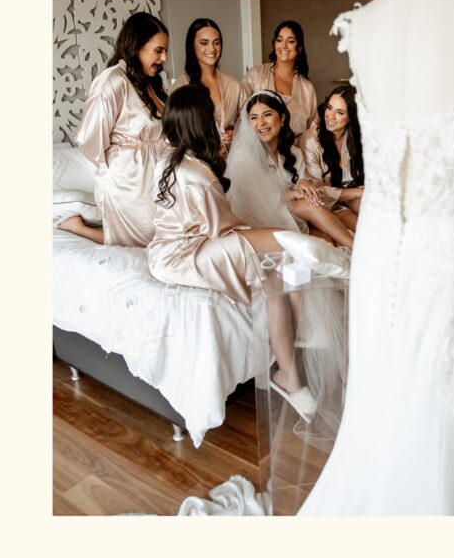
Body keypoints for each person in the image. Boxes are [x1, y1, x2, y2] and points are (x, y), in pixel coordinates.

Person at [298, 0, 454, 516]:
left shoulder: (369, 20)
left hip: (388, 248)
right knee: (416, 401)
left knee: (420, 401)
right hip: (450, 249)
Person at [146, 84, 317, 420]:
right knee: (281, 245)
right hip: (187, 255)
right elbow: (224, 229)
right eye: (212, 116)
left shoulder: (170, 160)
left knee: (277, 257)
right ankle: (291, 365)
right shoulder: (197, 175)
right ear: (201, 122)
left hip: (170, 250)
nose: (218, 121)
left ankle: (289, 367)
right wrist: (260, 236)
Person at [58, 12, 170, 246]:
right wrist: (120, 165)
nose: (164, 58)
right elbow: (89, 138)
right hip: (127, 181)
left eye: (165, 51)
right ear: (137, 46)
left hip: (156, 177)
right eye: (158, 50)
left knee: (164, 236)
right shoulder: (113, 81)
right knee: (145, 244)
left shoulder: (151, 83)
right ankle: (77, 227)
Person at [226, 90, 355, 249]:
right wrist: (292, 193)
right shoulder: (242, 158)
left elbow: (303, 184)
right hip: (258, 216)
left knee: (325, 239)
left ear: (282, 118)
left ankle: (348, 252)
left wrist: (304, 182)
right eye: (254, 118)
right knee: (310, 205)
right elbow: (251, 203)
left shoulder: (294, 153)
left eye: (267, 115)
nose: (261, 123)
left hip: (293, 212)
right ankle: (357, 248)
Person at [170, 18, 245, 156]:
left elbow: (248, 121)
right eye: (204, 43)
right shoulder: (180, 88)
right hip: (197, 162)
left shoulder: (233, 85)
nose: (212, 49)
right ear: (192, 46)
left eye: (217, 42)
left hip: (231, 161)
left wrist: (234, 133)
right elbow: (176, 135)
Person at [301, 85, 365, 231]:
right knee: (364, 229)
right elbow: (315, 190)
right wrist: (355, 193)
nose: (330, 116)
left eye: (340, 112)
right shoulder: (311, 140)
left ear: (351, 117)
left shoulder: (356, 136)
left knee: (381, 213)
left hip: (353, 196)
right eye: (329, 108)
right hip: (327, 204)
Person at [241, 20, 318, 141]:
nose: (284, 45)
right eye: (279, 40)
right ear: (274, 44)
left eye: (291, 41)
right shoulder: (255, 75)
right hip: (257, 148)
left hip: (295, 151)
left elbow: (312, 130)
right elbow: (240, 114)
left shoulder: (307, 88)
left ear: (299, 48)